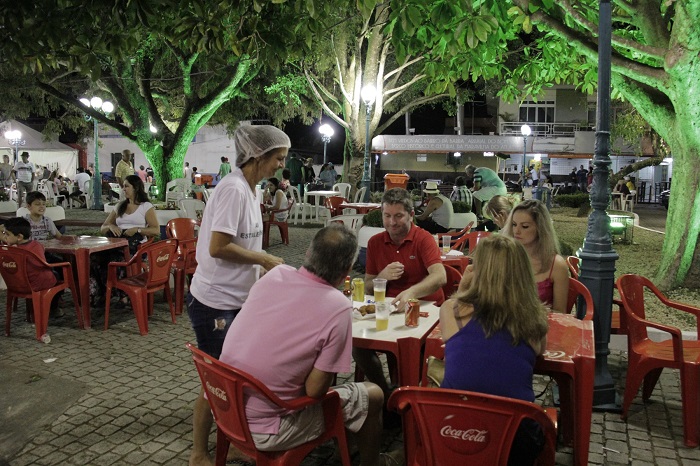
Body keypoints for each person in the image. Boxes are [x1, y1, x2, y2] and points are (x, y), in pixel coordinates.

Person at [220, 224, 389, 466]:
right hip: (271, 428)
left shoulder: (275, 275)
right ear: (347, 270)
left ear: (308, 253)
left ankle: (349, 446)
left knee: (346, 395)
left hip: (227, 411)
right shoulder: (338, 306)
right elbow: (315, 391)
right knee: (372, 394)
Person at [188, 125, 288, 466]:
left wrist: (263, 275)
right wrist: (263, 259)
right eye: (278, 158)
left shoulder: (253, 189)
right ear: (258, 156)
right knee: (217, 378)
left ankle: (231, 433)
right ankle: (199, 452)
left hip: (238, 299)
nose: (280, 166)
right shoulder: (232, 189)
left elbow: (244, 243)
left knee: (235, 373)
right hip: (214, 301)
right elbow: (218, 247)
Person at [439, 234, 549, 466]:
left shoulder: (452, 310)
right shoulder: (534, 318)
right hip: (515, 440)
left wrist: (464, 287)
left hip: (454, 432)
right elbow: (539, 352)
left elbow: (455, 328)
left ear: (478, 270)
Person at [357, 188, 446, 398]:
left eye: (398, 216)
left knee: (408, 353)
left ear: (411, 215)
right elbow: (368, 285)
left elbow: (440, 276)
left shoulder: (423, 239)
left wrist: (410, 293)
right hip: (388, 311)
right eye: (387, 216)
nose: (392, 222)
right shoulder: (375, 242)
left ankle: (407, 393)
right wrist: (382, 276)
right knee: (356, 345)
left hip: (426, 311)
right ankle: (388, 394)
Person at [502, 199, 569, 312]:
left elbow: (561, 312)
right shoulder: (505, 257)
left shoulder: (556, 265)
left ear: (540, 228)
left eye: (525, 226)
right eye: (514, 225)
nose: (516, 231)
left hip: (542, 326)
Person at [1, 217, 61, 313]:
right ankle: (53, 308)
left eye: (7, 234)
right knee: (57, 276)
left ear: (19, 237)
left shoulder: (9, 250)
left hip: (16, 284)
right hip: (36, 284)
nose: (5, 237)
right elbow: (42, 264)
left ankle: (36, 307)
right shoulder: (36, 246)